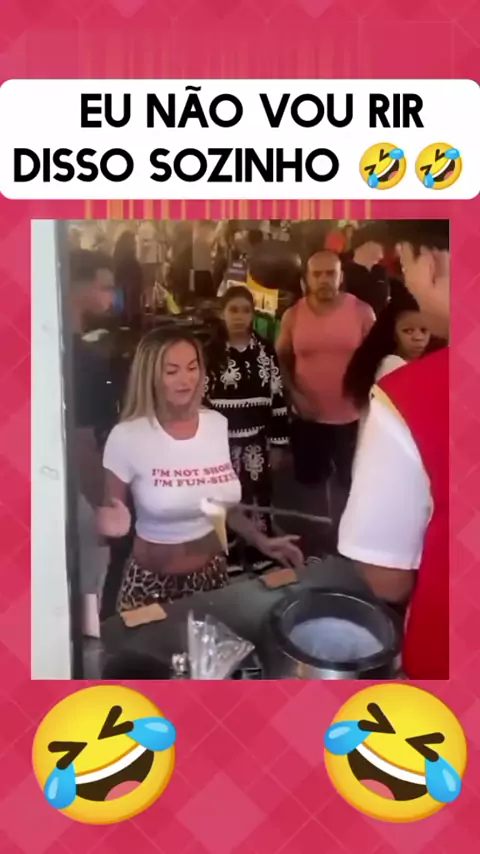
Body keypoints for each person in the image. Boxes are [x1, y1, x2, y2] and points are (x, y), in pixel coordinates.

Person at [97, 328, 302, 610]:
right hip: (152, 585)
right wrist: (105, 523)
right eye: (172, 371)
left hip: (213, 577)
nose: (186, 380)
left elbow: (221, 507)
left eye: (192, 367)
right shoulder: (127, 436)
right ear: (150, 376)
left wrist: (261, 541)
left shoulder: (216, 423)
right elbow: (108, 519)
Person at [338, 220, 449, 679]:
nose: (408, 281)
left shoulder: (412, 396)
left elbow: (385, 576)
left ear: (432, 261)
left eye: (404, 263)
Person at [276, 250, 375, 492]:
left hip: (352, 418)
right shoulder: (293, 315)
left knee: (352, 486)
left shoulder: (362, 312)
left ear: (341, 277)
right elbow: (280, 360)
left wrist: (367, 400)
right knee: (310, 486)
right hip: (307, 418)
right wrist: (294, 396)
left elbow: (376, 361)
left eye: (330, 273)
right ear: (307, 279)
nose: (324, 279)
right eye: (317, 274)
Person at [205, 286, 289, 569]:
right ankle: (227, 557)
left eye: (245, 310)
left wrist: (278, 443)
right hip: (220, 446)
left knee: (257, 496)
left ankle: (260, 552)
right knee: (223, 500)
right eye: (233, 310)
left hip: (257, 443)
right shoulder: (209, 354)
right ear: (222, 313)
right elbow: (200, 403)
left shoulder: (265, 352)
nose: (239, 317)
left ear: (253, 315)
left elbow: (277, 398)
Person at [70, 249, 117, 635]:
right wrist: (98, 504)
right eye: (104, 287)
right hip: (81, 493)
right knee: (89, 588)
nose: (111, 296)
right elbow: (83, 438)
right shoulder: (80, 358)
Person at [343, 288, 431, 413]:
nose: (418, 337)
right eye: (408, 331)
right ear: (391, 333)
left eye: (424, 330)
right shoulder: (393, 365)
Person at [342, 225, 390, 316]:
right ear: (368, 244)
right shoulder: (344, 273)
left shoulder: (381, 271)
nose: (384, 247)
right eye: (380, 243)